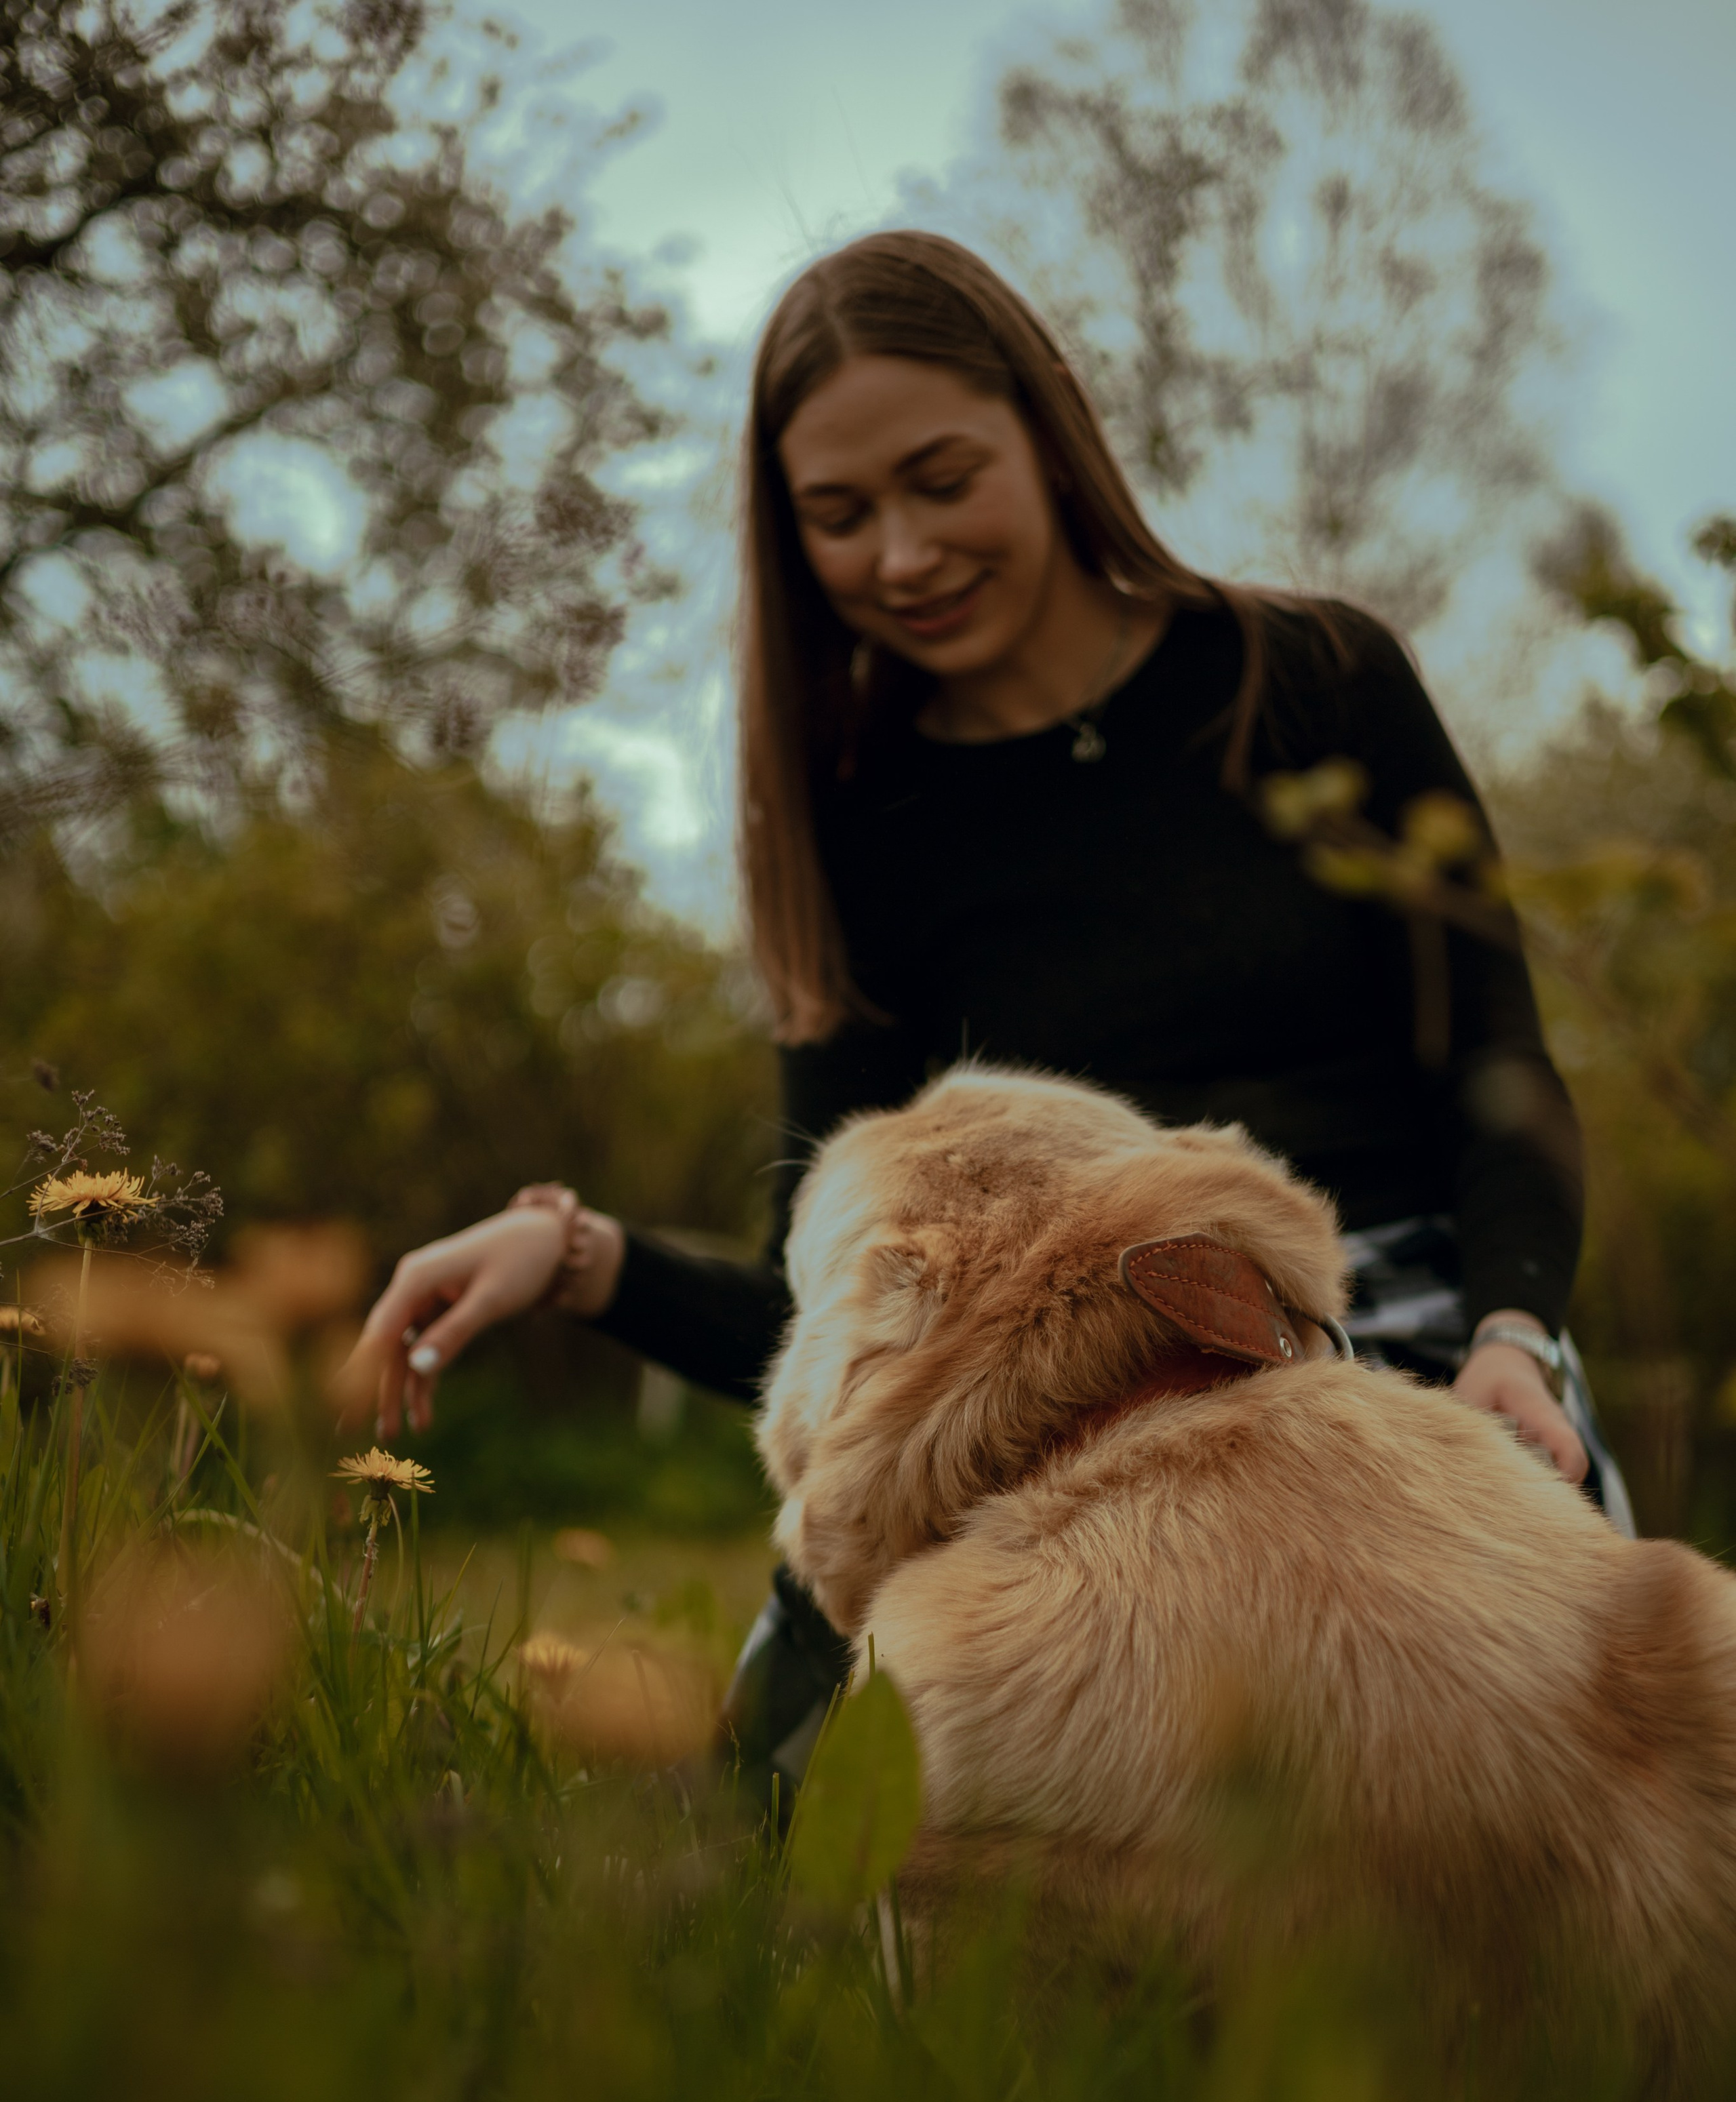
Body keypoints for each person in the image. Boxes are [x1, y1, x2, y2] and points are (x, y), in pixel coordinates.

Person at [342, 230, 1630, 1796]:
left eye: (941, 478)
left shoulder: (1310, 680)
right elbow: (823, 1317)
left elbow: (1494, 1067)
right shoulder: (861, 827)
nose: (898, 553)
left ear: (1047, 425)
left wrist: (1516, 1340)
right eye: (837, 514)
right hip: (1049, 1414)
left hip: (1406, 1350)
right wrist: (577, 1258)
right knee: (794, 1818)